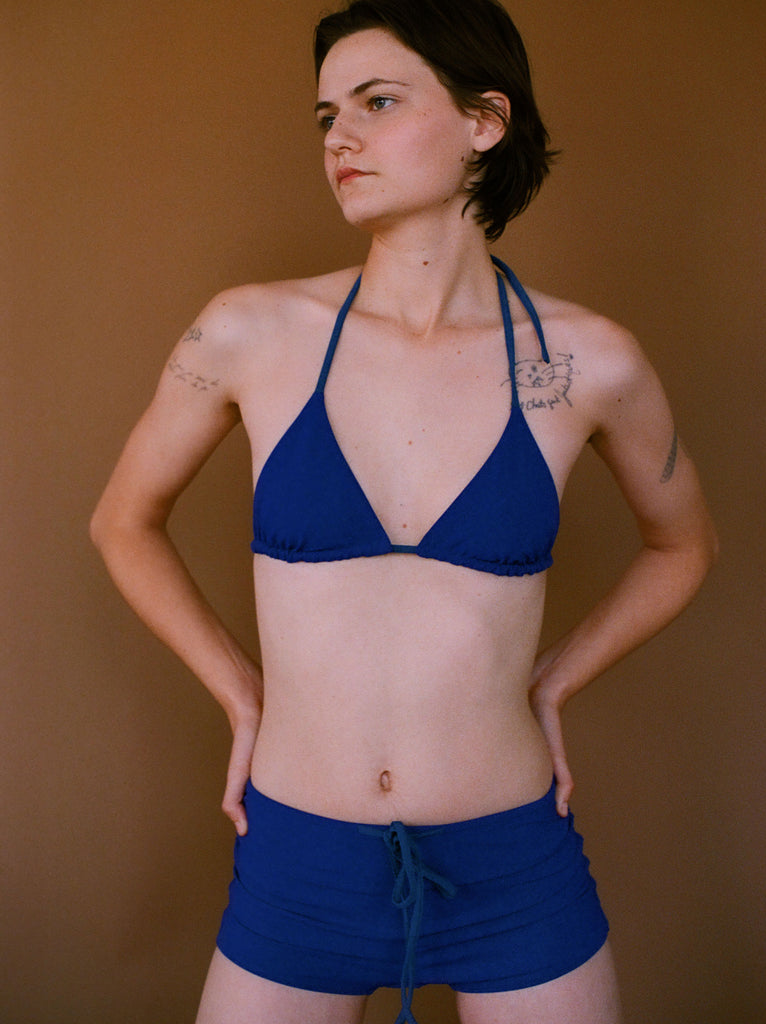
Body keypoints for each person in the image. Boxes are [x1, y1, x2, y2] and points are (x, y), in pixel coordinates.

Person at [90, 1, 718, 1021]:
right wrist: (242, 695)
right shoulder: (249, 331)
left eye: (377, 102)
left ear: (484, 121)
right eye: (326, 114)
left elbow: (683, 544)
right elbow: (122, 520)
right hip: (297, 863)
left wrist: (553, 681)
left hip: (511, 863)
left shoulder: (585, 360)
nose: (339, 136)